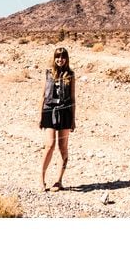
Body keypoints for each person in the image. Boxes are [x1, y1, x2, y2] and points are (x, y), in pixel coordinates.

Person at [39, 47, 76, 192]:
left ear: (66, 59)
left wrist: (73, 119)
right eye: (57, 57)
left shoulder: (71, 75)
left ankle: (59, 181)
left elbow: (73, 98)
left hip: (65, 112)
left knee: (63, 148)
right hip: (49, 111)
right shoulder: (48, 73)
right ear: (54, 58)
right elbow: (43, 94)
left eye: (63, 57)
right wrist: (40, 115)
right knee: (49, 146)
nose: (60, 60)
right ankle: (41, 179)